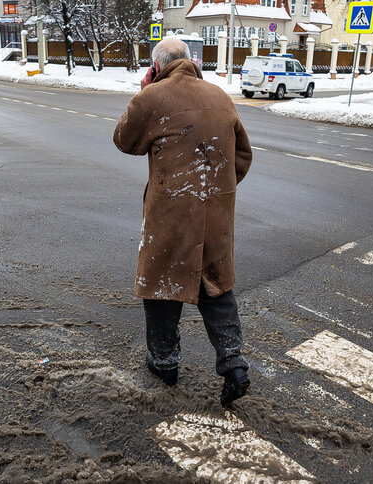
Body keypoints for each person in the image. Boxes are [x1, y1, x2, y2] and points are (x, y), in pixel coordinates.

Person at [113, 38, 253, 405]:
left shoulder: (152, 97)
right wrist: (212, 192)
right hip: (215, 216)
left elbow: (124, 140)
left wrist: (147, 89)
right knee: (216, 286)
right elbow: (242, 156)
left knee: (161, 286)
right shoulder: (220, 95)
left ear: (156, 67)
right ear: (191, 62)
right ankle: (234, 362)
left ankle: (165, 363)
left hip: (171, 215)